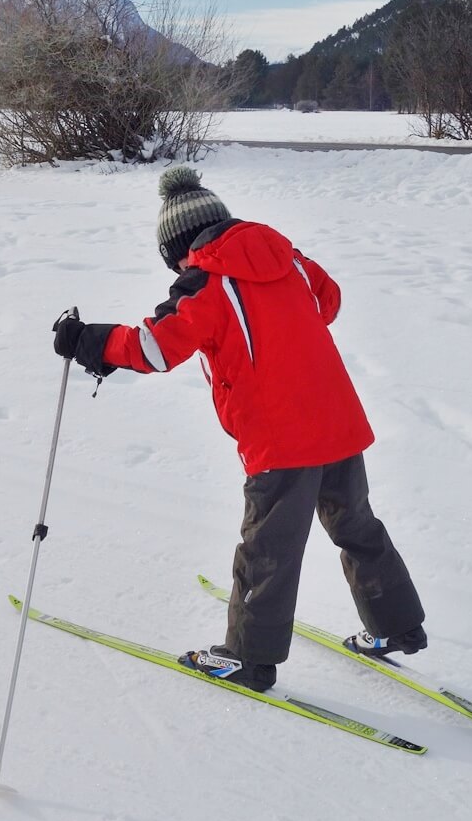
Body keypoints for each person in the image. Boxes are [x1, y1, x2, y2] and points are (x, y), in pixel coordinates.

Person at [52, 166, 426, 692]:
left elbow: (154, 348)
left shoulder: (206, 281)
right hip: (337, 419)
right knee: (356, 526)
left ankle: (248, 658)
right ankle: (398, 628)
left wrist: (88, 341)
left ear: (178, 249)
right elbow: (330, 299)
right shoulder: (287, 256)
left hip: (280, 439)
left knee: (268, 550)